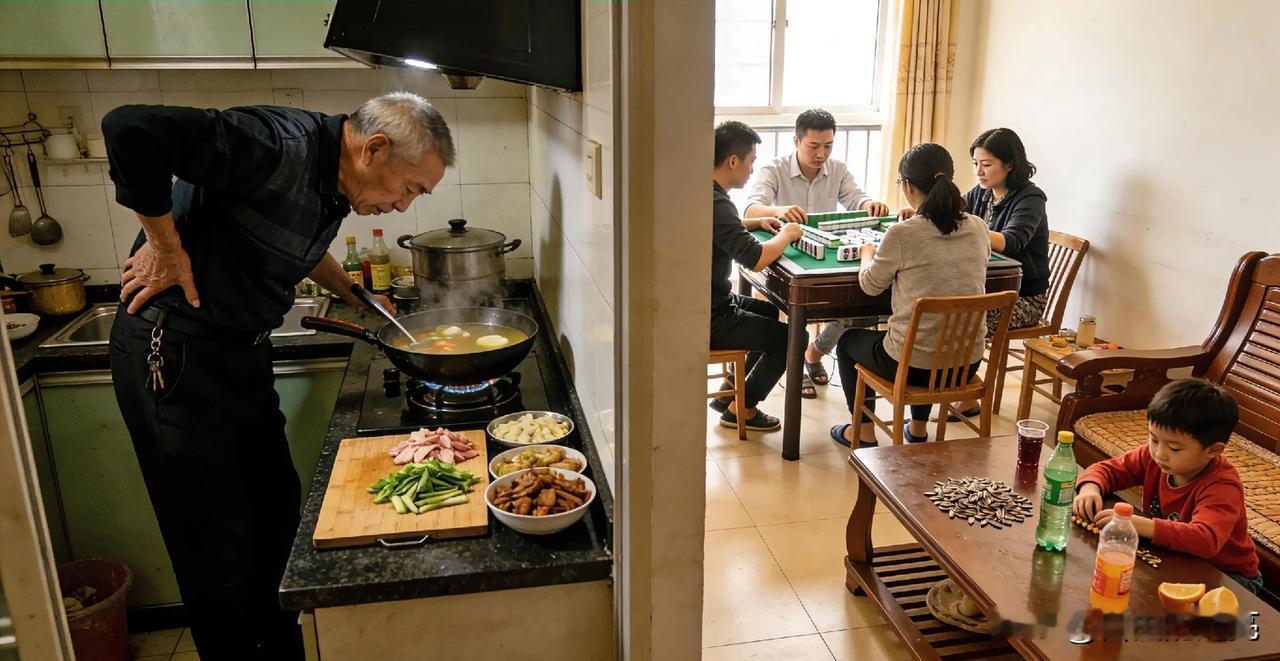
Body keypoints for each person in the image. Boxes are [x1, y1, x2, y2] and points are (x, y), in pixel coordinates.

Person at [103, 92, 455, 659]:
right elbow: (128, 126)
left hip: (239, 353)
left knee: (275, 519)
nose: (403, 205)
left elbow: (291, 230)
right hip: (175, 356)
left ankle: (286, 649)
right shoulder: (273, 144)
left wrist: (351, 291)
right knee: (217, 546)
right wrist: (166, 247)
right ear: (375, 148)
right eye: (410, 188)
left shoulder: (337, 178)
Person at [828, 143, 989, 448]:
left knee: (848, 342)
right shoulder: (979, 228)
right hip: (965, 365)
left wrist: (867, 254)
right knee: (930, 336)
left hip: (913, 367)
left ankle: (862, 433)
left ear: (909, 186)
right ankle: (917, 429)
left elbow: (871, 285)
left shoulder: (902, 234)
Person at [743, 109, 889, 399]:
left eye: (828, 146)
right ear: (796, 141)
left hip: (825, 255)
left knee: (857, 303)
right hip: (786, 256)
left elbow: (856, 198)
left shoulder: (838, 169)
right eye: (814, 146)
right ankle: (795, 366)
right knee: (791, 315)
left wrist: (870, 203)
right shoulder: (774, 169)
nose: (821, 153)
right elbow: (750, 209)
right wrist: (777, 210)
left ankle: (814, 352)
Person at [905, 128, 1050, 419]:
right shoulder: (981, 194)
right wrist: (923, 214)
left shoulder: (1031, 198)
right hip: (983, 290)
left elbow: (1013, 241)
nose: (979, 172)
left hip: (1021, 297)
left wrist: (970, 228)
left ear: (1009, 164)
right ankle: (952, 389)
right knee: (940, 309)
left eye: (986, 164)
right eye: (975, 164)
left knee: (954, 317)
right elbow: (952, 215)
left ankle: (963, 391)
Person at [1073, 379, 1262, 594]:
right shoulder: (1153, 457)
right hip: (1180, 558)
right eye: (1154, 439)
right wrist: (1090, 488)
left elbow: (1205, 539)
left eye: (1174, 447)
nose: (1159, 453)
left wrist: (1141, 525)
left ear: (1213, 450)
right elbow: (1108, 470)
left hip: (1230, 577)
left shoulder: (1223, 486)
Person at [708, 121, 807, 432]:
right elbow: (757, 259)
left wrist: (757, 222)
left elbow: (723, 230)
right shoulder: (718, 203)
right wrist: (788, 233)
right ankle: (744, 408)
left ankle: (730, 393)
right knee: (793, 339)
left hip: (704, 300)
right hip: (708, 316)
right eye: (751, 160)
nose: (752, 169)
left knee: (766, 309)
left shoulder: (704, 192)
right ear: (733, 161)